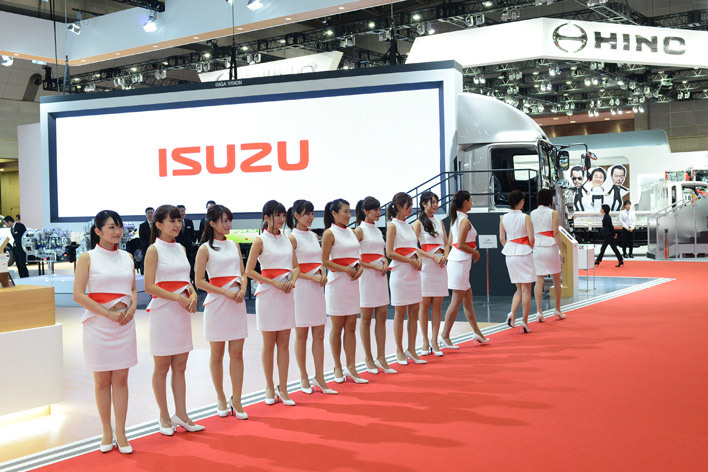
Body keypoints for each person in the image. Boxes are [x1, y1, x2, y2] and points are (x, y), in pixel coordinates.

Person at [73, 210, 137, 454]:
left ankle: (121, 432)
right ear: (98, 231)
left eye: (119, 227)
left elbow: (132, 289)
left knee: (121, 380)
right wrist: (107, 314)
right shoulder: (88, 257)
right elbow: (78, 294)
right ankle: (106, 432)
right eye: (111, 227)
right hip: (98, 325)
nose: (117, 231)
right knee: (101, 381)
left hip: (124, 324)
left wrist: (132, 307)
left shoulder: (127, 257)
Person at [144, 205, 204, 435]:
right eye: (172, 221)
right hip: (163, 313)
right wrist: (177, 297)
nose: (177, 225)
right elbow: (149, 286)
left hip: (181, 313)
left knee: (180, 366)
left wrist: (193, 293)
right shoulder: (153, 250)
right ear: (159, 224)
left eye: (179, 220)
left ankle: (182, 414)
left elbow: (186, 279)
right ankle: (163, 416)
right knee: (162, 368)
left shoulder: (180, 248)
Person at [194, 204, 249, 420]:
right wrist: (225, 292)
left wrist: (243, 288)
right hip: (217, 304)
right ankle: (220, 397)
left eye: (229, 220)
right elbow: (199, 281)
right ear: (212, 223)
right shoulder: (205, 249)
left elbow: (243, 273)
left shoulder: (234, 245)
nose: (228, 224)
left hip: (236, 304)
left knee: (237, 353)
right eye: (224, 221)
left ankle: (237, 399)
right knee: (217, 354)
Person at [245, 200, 299, 405]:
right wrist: (274, 283)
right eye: (277, 215)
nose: (281, 219)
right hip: (268, 295)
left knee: (284, 344)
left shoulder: (288, 240)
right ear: (266, 217)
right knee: (269, 344)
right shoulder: (260, 240)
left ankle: (283, 388)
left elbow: (296, 267)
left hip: (286, 294)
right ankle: (269, 386)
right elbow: (249, 271)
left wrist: (292, 280)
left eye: (283, 215)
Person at [287, 200, 338, 395]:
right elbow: (292, 269)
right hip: (301, 289)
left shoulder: (314, 236)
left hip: (317, 289)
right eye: (306, 213)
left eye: (311, 213)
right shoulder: (292, 238)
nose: (310, 217)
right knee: (301, 335)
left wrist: (322, 274)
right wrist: (312, 277)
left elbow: (319, 261)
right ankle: (303, 376)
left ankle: (320, 376)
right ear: (296, 215)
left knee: (319, 333)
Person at [322, 198, 368, 384]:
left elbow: (357, 256)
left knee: (351, 326)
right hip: (337, 284)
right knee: (337, 327)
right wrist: (346, 270)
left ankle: (351, 366)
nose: (349, 215)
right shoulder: (329, 233)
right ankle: (337, 366)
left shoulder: (352, 232)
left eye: (350, 211)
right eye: (345, 211)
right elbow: (325, 261)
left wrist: (360, 267)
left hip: (352, 283)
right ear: (334, 213)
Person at [440, 191, 489, 348]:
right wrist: (475, 252)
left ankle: (477, 332)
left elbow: (452, 242)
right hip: (460, 263)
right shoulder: (463, 220)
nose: (472, 203)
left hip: (459, 262)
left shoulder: (457, 219)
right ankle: (445, 335)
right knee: (456, 301)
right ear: (465, 202)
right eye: (470, 200)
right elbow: (460, 244)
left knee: (468, 299)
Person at [354, 197, 396, 374]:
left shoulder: (378, 231)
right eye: (375, 210)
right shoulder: (359, 231)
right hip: (366, 278)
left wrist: (385, 262)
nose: (379, 213)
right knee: (366, 317)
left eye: (379, 209)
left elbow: (382, 253)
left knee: (382, 315)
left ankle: (381, 357)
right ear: (366, 211)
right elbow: (355, 259)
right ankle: (368, 358)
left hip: (380, 276)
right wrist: (374, 266)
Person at [386, 192, 425, 365]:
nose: (410, 208)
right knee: (400, 313)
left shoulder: (409, 226)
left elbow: (416, 248)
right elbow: (389, 252)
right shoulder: (392, 226)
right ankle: (399, 350)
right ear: (399, 207)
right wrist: (410, 260)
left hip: (414, 272)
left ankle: (412, 349)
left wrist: (419, 260)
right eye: (407, 205)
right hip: (400, 273)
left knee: (414, 312)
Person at [412, 191, 449, 357]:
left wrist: (445, 256)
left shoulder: (440, 222)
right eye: (432, 202)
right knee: (424, 304)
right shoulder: (418, 223)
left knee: (438, 305)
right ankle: (425, 341)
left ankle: (435, 340)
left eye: (436, 202)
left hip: (440, 266)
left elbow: (446, 243)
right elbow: (413, 247)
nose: (435, 205)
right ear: (423, 204)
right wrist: (432, 257)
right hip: (427, 266)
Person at [500, 190, 536, 333]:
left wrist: (510, 247)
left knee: (519, 289)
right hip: (524, 253)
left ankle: (512, 313)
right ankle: (524, 321)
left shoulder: (503, 218)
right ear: (521, 201)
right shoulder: (525, 217)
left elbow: (502, 239)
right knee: (526, 288)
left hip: (509, 254)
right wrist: (529, 248)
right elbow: (531, 238)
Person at [530, 189, 565, 322]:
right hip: (550, 247)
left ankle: (539, 311)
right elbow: (556, 232)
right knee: (556, 279)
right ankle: (557, 309)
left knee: (539, 280)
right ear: (550, 199)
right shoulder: (553, 213)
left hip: (537, 248)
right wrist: (562, 251)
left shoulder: (532, 213)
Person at [175, 205, 196, 281]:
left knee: (190, 265)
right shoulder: (174, 223)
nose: (182, 213)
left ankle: (190, 280)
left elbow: (192, 234)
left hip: (189, 249)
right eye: (180, 211)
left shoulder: (189, 222)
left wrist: (191, 242)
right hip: (177, 248)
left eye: (183, 211)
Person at [138, 207, 154, 274]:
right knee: (146, 269)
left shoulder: (158, 225)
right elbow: (142, 239)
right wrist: (150, 247)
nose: (150, 214)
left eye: (151, 213)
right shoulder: (142, 226)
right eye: (148, 213)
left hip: (157, 250)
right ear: (146, 215)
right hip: (146, 250)